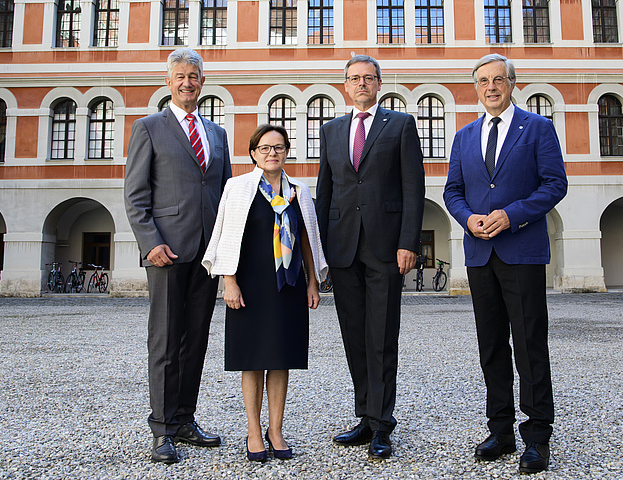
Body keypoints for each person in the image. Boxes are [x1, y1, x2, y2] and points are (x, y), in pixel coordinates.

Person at [443, 54, 567, 474]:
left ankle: (537, 436)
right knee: (491, 345)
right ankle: (500, 430)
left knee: (530, 344)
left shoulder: (537, 128)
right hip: (480, 253)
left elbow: (555, 184)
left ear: (512, 83)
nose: (491, 87)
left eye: (498, 79)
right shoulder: (464, 136)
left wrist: (512, 215)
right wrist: (467, 218)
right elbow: (453, 191)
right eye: (483, 81)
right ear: (476, 87)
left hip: (522, 250)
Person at [124, 47, 231, 464]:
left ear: (203, 82)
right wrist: (150, 243)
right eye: (180, 77)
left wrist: (226, 247)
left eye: (194, 76)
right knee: (166, 341)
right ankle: (162, 429)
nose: (188, 83)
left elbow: (224, 195)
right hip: (166, 252)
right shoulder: (148, 127)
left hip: (207, 254)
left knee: (196, 340)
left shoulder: (216, 133)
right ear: (168, 82)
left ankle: (185, 419)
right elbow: (136, 195)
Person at [316, 54, 425, 460]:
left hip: (386, 247)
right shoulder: (331, 130)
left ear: (379, 83)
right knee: (354, 337)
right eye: (354, 78)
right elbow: (325, 191)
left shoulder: (400, 125)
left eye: (368, 77)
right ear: (345, 85)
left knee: (381, 337)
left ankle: (382, 424)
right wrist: (320, 251)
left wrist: (409, 242)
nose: (361, 83)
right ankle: (364, 415)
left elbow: (413, 186)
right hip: (343, 247)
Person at [202, 124, 327, 462]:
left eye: (279, 147)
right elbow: (227, 235)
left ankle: (276, 430)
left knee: (281, 359)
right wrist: (229, 282)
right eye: (265, 148)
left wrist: (312, 282)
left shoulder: (299, 191)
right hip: (249, 285)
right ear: (253, 153)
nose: (272, 153)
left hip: (288, 284)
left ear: (286, 152)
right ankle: (254, 432)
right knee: (253, 359)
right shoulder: (238, 186)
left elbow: (307, 237)